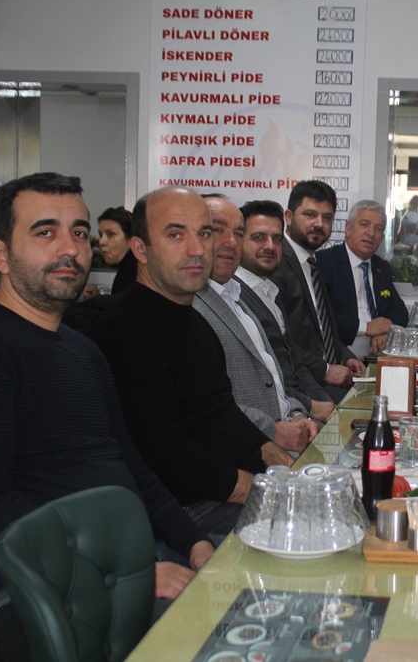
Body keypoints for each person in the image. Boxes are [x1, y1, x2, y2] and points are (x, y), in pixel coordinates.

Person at [0, 173, 215, 638]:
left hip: (130, 555)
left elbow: (134, 470)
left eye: (79, 231)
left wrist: (196, 543)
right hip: (56, 590)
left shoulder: (81, 349)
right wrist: (125, 573)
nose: (70, 248)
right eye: (45, 232)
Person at [91, 186, 292, 537]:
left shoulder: (195, 320)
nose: (197, 249)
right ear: (140, 249)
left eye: (204, 233)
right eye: (175, 234)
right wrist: (259, 490)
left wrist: (287, 466)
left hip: (228, 492)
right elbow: (163, 451)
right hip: (185, 512)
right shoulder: (126, 328)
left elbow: (223, 415)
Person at [192, 196, 318, 454]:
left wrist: (297, 414)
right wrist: (275, 431)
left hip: (291, 429)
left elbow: (275, 380)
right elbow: (205, 406)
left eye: (238, 233)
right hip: (251, 448)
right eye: (217, 230)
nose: (230, 242)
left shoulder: (237, 297)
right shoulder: (190, 305)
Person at [236, 200, 336, 423]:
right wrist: (309, 407)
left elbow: (295, 363)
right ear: (238, 240)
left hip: (300, 406)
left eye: (277, 239)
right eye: (259, 237)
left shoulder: (269, 291)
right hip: (278, 416)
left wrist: (326, 403)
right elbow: (262, 379)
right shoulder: (235, 297)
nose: (270, 246)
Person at [270, 180, 365, 402]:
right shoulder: (277, 265)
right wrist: (325, 370)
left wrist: (345, 356)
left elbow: (323, 328)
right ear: (289, 217)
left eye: (327, 218)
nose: (319, 224)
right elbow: (278, 339)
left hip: (328, 375)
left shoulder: (312, 263)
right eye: (310, 215)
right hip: (302, 386)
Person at [316, 199, 409, 356]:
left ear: (382, 237)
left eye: (378, 228)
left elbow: (400, 311)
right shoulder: (324, 263)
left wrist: (385, 328)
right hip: (340, 355)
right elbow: (319, 316)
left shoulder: (382, 267)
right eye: (364, 224)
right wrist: (366, 328)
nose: (371, 233)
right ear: (348, 228)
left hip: (377, 355)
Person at [97, 205, 137, 293]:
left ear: (131, 240)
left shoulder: (131, 273)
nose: (101, 242)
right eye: (100, 235)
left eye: (110, 234)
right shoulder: (129, 268)